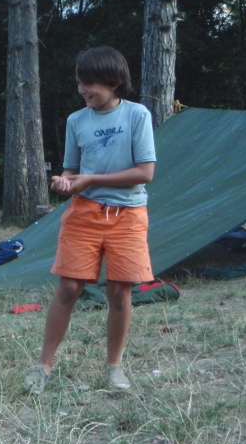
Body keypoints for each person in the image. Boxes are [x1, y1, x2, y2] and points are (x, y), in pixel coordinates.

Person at [23, 46, 156, 395]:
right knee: (68, 287)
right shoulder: (76, 120)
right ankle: (43, 365)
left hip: (127, 215)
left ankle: (114, 366)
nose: (83, 90)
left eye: (90, 83)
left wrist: (91, 179)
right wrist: (66, 182)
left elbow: (145, 172)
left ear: (113, 82)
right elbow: (72, 169)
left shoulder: (137, 115)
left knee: (118, 291)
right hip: (84, 213)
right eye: (80, 83)